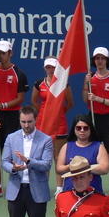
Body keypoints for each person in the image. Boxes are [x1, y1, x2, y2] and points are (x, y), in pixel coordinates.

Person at [1, 105, 54, 217]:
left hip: (36, 191)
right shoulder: (11, 138)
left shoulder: (45, 140)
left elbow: (46, 165)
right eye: (23, 122)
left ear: (35, 120)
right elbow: (5, 162)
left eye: (29, 121)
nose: (26, 125)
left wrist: (28, 161)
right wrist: (14, 168)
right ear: (20, 120)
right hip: (16, 190)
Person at [0, 40, 29, 198]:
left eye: (4, 53)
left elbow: (20, 99)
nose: (1, 56)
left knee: (14, 151)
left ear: (11, 53)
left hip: (12, 116)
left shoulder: (19, 74)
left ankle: (15, 182)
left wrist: (3, 105)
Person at [32, 56, 74, 189]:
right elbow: (34, 101)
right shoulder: (39, 83)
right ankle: (43, 186)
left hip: (59, 124)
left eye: (53, 67)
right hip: (42, 124)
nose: (50, 70)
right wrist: (45, 114)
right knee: (44, 156)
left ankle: (59, 188)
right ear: (45, 68)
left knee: (58, 156)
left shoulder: (63, 84)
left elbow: (70, 103)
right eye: (48, 67)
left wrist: (58, 114)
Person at [83, 47, 109, 178]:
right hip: (93, 118)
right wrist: (85, 83)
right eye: (97, 58)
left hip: (108, 120)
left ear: (107, 60)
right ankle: (92, 185)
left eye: (102, 58)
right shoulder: (90, 78)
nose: (99, 61)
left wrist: (98, 99)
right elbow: (84, 99)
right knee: (92, 154)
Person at [56, 115, 109, 194]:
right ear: (74, 129)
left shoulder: (98, 146)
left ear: (90, 129)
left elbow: (105, 169)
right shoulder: (67, 146)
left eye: (86, 128)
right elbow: (59, 169)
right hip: (70, 191)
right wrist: (71, 166)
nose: (82, 130)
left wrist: (83, 166)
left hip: (93, 191)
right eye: (79, 128)